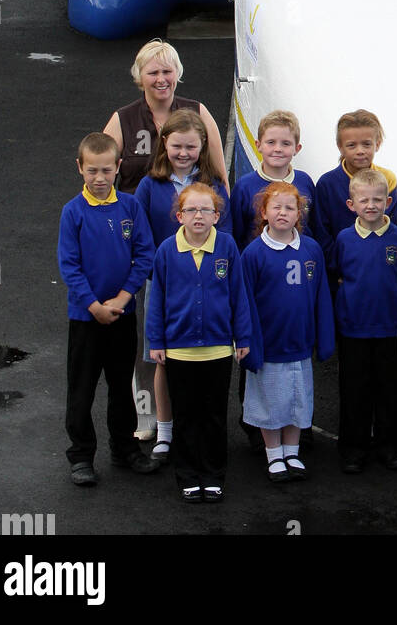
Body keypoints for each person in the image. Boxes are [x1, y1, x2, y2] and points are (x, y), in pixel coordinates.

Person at [57, 133, 157, 486]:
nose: (99, 179)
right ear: (80, 169)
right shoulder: (73, 213)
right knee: (81, 390)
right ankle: (81, 456)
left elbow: (144, 254)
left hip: (122, 316)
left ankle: (125, 449)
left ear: (118, 168)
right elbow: (69, 266)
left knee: (120, 387)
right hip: (86, 319)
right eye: (91, 171)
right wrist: (94, 305)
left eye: (106, 171)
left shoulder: (130, 208)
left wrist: (124, 297)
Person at [135, 110, 231, 463]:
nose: (184, 152)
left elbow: (228, 234)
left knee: (202, 360)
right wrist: (151, 272)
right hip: (164, 284)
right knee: (161, 360)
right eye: (177, 145)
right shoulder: (150, 184)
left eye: (191, 145)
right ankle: (164, 430)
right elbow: (142, 236)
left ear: (202, 145)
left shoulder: (215, 184)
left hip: (206, 285)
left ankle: (201, 426)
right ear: (165, 144)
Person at [146, 184, 251, 503]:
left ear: (217, 216)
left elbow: (238, 294)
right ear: (179, 216)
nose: (199, 215)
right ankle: (188, 475)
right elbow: (157, 300)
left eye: (206, 210)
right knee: (187, 416)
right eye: (191, 210)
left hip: (218, 349)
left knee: (215, 416)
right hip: (179, 350)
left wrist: (242, 336)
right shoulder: (166, 250)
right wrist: (156, 339)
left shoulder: (228, 246)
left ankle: (213, 475)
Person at [240, 183, 335, 483]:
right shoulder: (254, 253)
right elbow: (245, 302)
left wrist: (325, 336)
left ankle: (292, 451)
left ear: (299, 214)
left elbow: (321, 295)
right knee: (270, 402)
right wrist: (248, 343)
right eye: (276, 207)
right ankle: (273, 454)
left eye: (289, 208)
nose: (283, 213)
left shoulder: (311, 249)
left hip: (300, 343)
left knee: (297, 401)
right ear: (264, 212)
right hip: (269, 344)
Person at [332, 169, 397, 474]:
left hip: (388, 328)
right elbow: (339, 271)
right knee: (354, 392)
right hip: (353, 329)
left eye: (377, 199)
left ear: (388, 202)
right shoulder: (344, 239)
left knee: (390, 392)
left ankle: (389, 448)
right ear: (351, 204)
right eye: (363, 200)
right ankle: (353, 450)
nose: (370, 205)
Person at [103, 38, 227, 194]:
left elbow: (220, 176)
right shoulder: (122, 120)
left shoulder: (199, 112)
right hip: (135, 214)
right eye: (153, 73)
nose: (161, 79)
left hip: (191, 214)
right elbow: (101, 175)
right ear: (140, 76)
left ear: (177, 73)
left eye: (167, 72)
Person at [314, 109, 397, 268]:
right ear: (340, 147)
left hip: (380, 268)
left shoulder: (388, 179)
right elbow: (322, 236)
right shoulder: (327, 184)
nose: (360, 151)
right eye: (352, 145)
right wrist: (339, 271)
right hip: (341, 278)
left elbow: (395, 230)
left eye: (366, 144)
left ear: (377, 144)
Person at [230, 110, 317, 251]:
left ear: (297, 148)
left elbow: (314, 226)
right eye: (271, 142)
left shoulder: (305, 181)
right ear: (258, 145)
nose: (278, 149)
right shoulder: (244, 187)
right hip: (258, 266)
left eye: (286, 143)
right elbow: (236, 234)